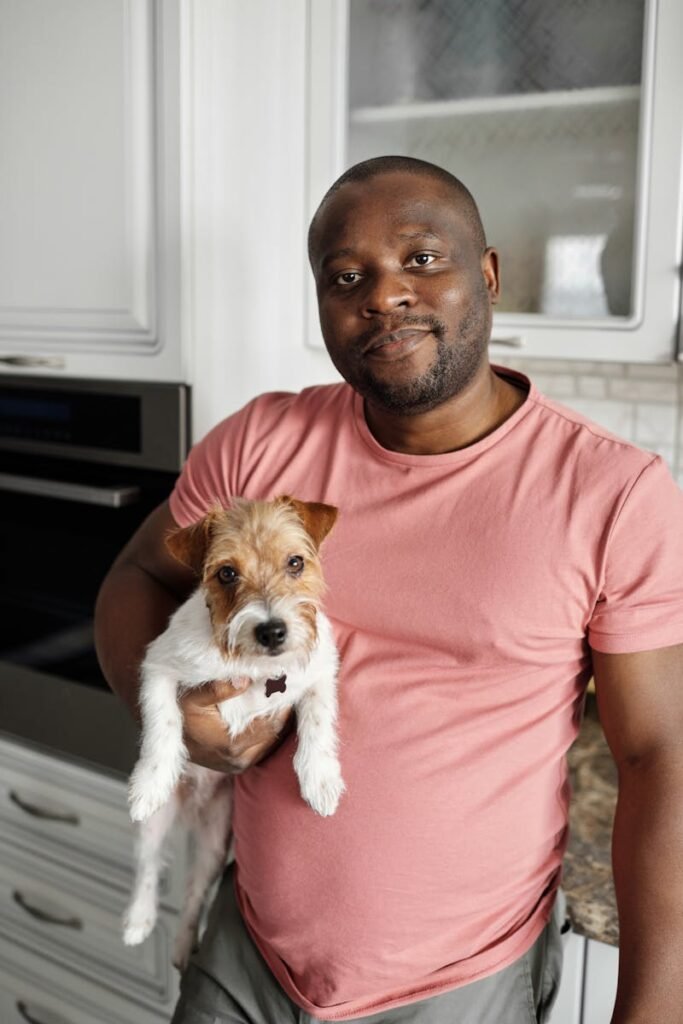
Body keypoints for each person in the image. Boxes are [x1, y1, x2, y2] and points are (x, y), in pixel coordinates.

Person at [95, 156, 683, 1024]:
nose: (381, 295)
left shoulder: (614, 493)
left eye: (420, 259)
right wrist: (176, 717)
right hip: (248, 953)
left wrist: (655, 1010)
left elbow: (658, 755)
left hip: (458, 984)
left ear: (486, 274)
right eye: (346, 277)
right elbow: (142, 573)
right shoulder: (260, 443)